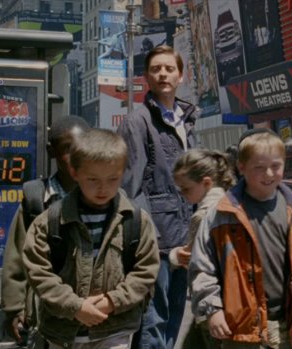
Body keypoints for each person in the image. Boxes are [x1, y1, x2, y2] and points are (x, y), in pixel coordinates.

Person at [189, 130, 292, 348]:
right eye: (259, 167)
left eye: (276, 166)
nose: (268, 173)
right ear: (241, 167)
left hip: (289, 325)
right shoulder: (221, 214)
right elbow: (202, 267)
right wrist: (212, 310)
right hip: (240, 330)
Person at [22, 128, 160, 348]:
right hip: (63, 333)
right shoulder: (50, 221)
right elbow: (37, 272)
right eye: (93, 179)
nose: (103, 188)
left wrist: (112, 301)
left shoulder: (135, 220)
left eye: (112, 179)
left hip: (114, 330)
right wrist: (74, 306)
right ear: (74, 172)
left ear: (123, 173)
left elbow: (146, 270)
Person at [116, 45, 200, 349]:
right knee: (153, 323)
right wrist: (146, 238)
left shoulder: (187, 120)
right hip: (156, 242)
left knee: (174, 317)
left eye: (169, 68)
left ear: (181, 75)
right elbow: (131, 187)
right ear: (146, 78)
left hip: (184, 236)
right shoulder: (137, 122)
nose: (163, 74)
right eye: (156, 69)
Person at [1, 116, 90, 346]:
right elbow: (17, 257)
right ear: (52, 151)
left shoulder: (102, 196)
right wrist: (14, 309)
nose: (75, 157)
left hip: (89, 315)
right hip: (45, 315)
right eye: (67, 149)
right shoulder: (37, 200)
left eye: (82, 148)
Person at [170, 149, 236, 349]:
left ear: (206, 183)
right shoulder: (232, 203)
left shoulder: (203, 215)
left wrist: (174, 255)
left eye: (186, 189)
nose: (182, 194)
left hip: (210, 303)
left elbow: (191, 258)